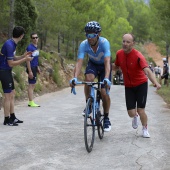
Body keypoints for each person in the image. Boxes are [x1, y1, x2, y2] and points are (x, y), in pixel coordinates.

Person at [112, 33, 161, 138]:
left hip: (141, 85)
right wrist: (105, 67)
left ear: (133, 44)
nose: (125, 44)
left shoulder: (138, 56)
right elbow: (115, 66)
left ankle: (145, 128)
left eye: (128, 42)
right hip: (128, 86)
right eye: (123, 41)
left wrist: (155, 82)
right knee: (131, 113)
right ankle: (135, 116)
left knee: (141, 109)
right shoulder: (119, 54)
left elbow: (147, 71)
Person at [70, 21, 112, 132]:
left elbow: (107, 61)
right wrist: (75, 77)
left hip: (104, 66)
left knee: (104, 93)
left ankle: (106, 117)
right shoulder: (84, 44)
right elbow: (79, 62)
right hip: (93, 64)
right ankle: (89, 104)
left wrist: (107, 78)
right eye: (87, 35)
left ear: (98, 34)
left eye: (92, 35)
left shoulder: (104, 43)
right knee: (88, 79)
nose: (90, 38)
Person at [0, 26, 32, 126]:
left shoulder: (12, 43)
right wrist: (25, 60)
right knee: (8, 95)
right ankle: (6, 119)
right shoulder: (9, 45)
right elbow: (10, 63)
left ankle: (12, 116)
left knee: (12, 93)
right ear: (21, 36)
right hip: (4, 70)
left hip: (7, 71)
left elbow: (13, 57)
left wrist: (23, 55)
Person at [26, 33, 40, 107]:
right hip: (31, 67)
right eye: (33, 38)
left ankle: (31, 101)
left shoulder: (36, 47)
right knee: (31, 84)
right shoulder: (30, 47)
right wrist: (30, 71)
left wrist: (37, 67)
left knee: (33, 84)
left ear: (38, 38)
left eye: (36, 37)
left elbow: (35, 58)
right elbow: (27, 60)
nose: (35, 39)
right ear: (31, 39)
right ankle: (30, 102)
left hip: (34, 67)